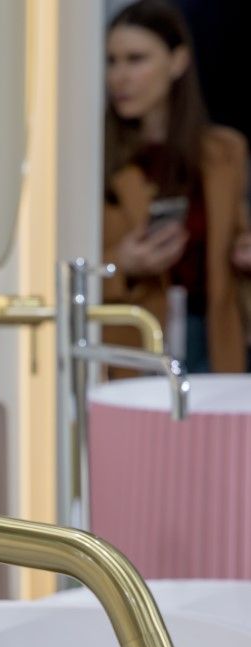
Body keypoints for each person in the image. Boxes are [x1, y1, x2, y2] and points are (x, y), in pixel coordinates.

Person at [103, 0, 251, 374]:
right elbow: (60, 266)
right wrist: (121, 263)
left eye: (136, 59)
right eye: (111, 61)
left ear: (177, 61)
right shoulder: (94, 156)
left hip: (213, 341)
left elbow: (235, 242)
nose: (119, 76)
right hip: (133, 341)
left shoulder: (224, 152)